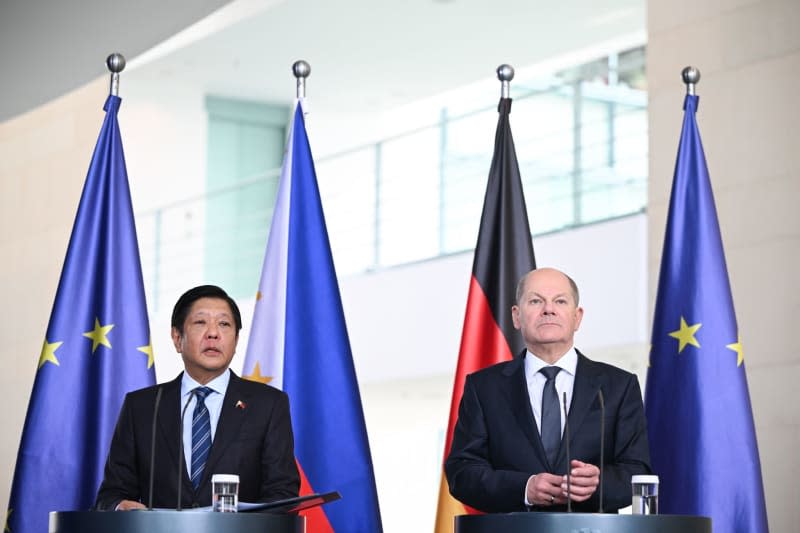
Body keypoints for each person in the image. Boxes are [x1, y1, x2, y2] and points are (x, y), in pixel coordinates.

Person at [445, 267, 651, 513]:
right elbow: (462, 472)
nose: (548, 309)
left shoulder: (619, 386)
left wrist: (598, 484)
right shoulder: (484, 387)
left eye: (560, 301)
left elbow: (639, 472)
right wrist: (525, 487)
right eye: (535, 301)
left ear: (577, 317)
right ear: (516, 316)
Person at [95, 285, 299, 510]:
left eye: (224, 324)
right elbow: (111, 495)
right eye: (201, 322)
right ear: (176, 337)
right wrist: (121, 506)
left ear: (236, 339)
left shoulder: (268, 404)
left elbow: (282, 494)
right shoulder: (142, 407)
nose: (213, 333)